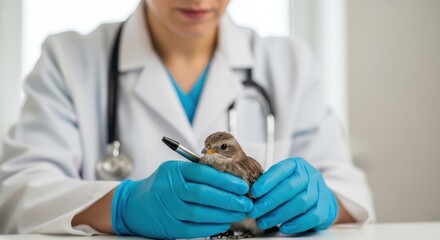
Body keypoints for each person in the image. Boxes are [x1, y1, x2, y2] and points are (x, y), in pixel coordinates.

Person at [0, 0, 374, 238]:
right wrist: (122, 206)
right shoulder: (67, 59)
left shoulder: (289, 62)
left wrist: (319, 201)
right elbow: (18, 194)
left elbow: (352, 196)